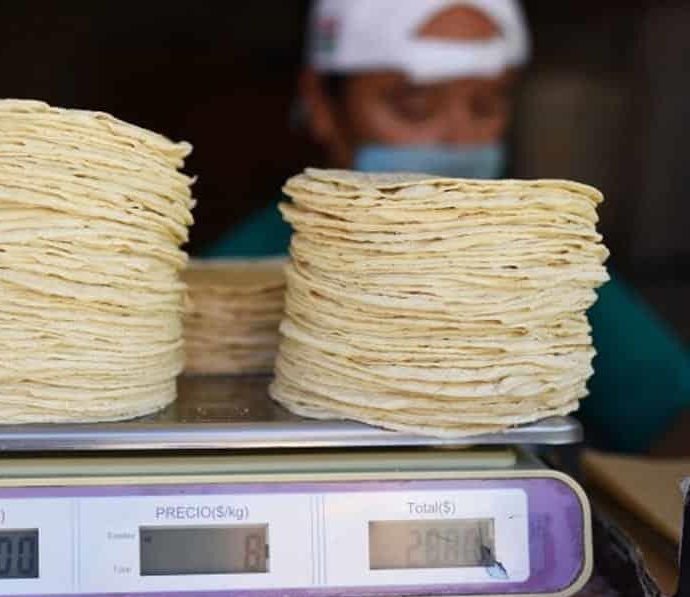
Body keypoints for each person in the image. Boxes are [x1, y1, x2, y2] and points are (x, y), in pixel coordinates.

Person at [205, 0, 690, 454]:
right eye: (415, 106)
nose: (459, 138)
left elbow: (669, 414)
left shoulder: (539, 264)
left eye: (485, 105)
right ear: (321, 104)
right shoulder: (234, 273)